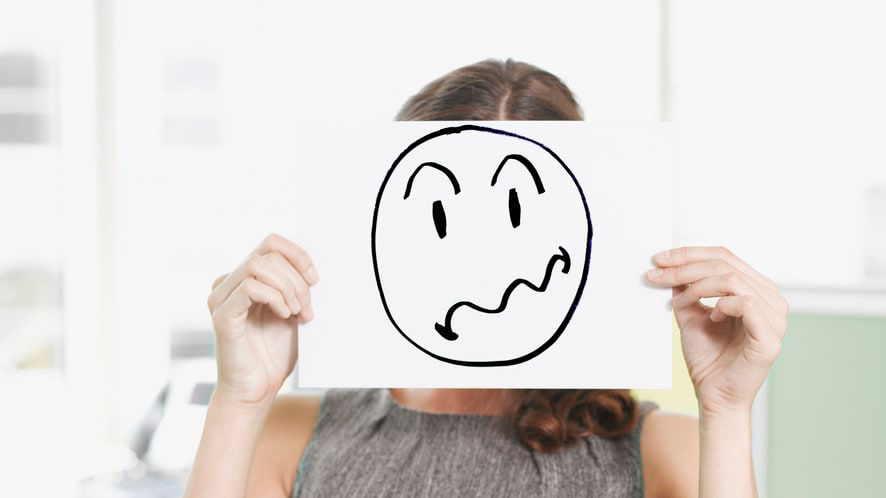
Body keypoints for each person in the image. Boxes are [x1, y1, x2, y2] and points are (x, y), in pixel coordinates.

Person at [184, 59, 788, 498]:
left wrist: (726, 409)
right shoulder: (293, 436)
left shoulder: (664, 452)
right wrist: (241, 398)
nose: (478, 256)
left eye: (516, 210)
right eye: (438, 216)